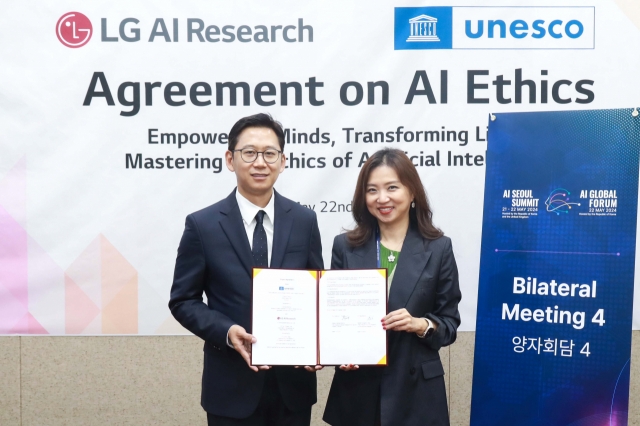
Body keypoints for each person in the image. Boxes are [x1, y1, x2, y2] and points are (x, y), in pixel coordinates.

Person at [169, 113, 323, 426]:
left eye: (270, 153)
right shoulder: (203, 225)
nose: (260, 162)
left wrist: (319, 343)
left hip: (292, 389)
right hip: (230, 386)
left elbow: (316, 293)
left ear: (283, 161)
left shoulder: (304, 221)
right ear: (230, 159)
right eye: (249, 152)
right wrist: (225, 331)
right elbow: (183, 300)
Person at [322, 148, 461, 426]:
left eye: (392, 187)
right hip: (359, 391)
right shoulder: (345, 247)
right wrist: (341, 354)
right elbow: (333, 318)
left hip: (417, 394)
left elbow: (449, 324)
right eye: (372, 190)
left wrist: (420, 324)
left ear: (411, 193)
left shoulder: (438, 248)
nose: (382, 198)